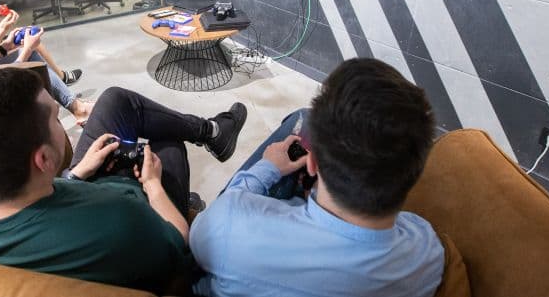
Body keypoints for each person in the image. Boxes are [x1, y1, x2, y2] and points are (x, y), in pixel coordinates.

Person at [0, 67, 248, 294]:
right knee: (168, 145)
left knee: (114, 101)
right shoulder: (120, 221)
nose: (68, 123)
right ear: (43, 159)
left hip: (76, 185)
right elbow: (178, 241)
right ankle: (207, 140)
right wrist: (153, 185)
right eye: (56, 118)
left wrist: (77, 173)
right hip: (134, 206)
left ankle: (212, 132)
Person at [190, 58, 445, 297]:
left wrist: (268, 168)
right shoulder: (428, 255)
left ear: (312, 163)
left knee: (302, 118)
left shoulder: (227, 224)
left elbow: (198, 246)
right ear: (415, 174)